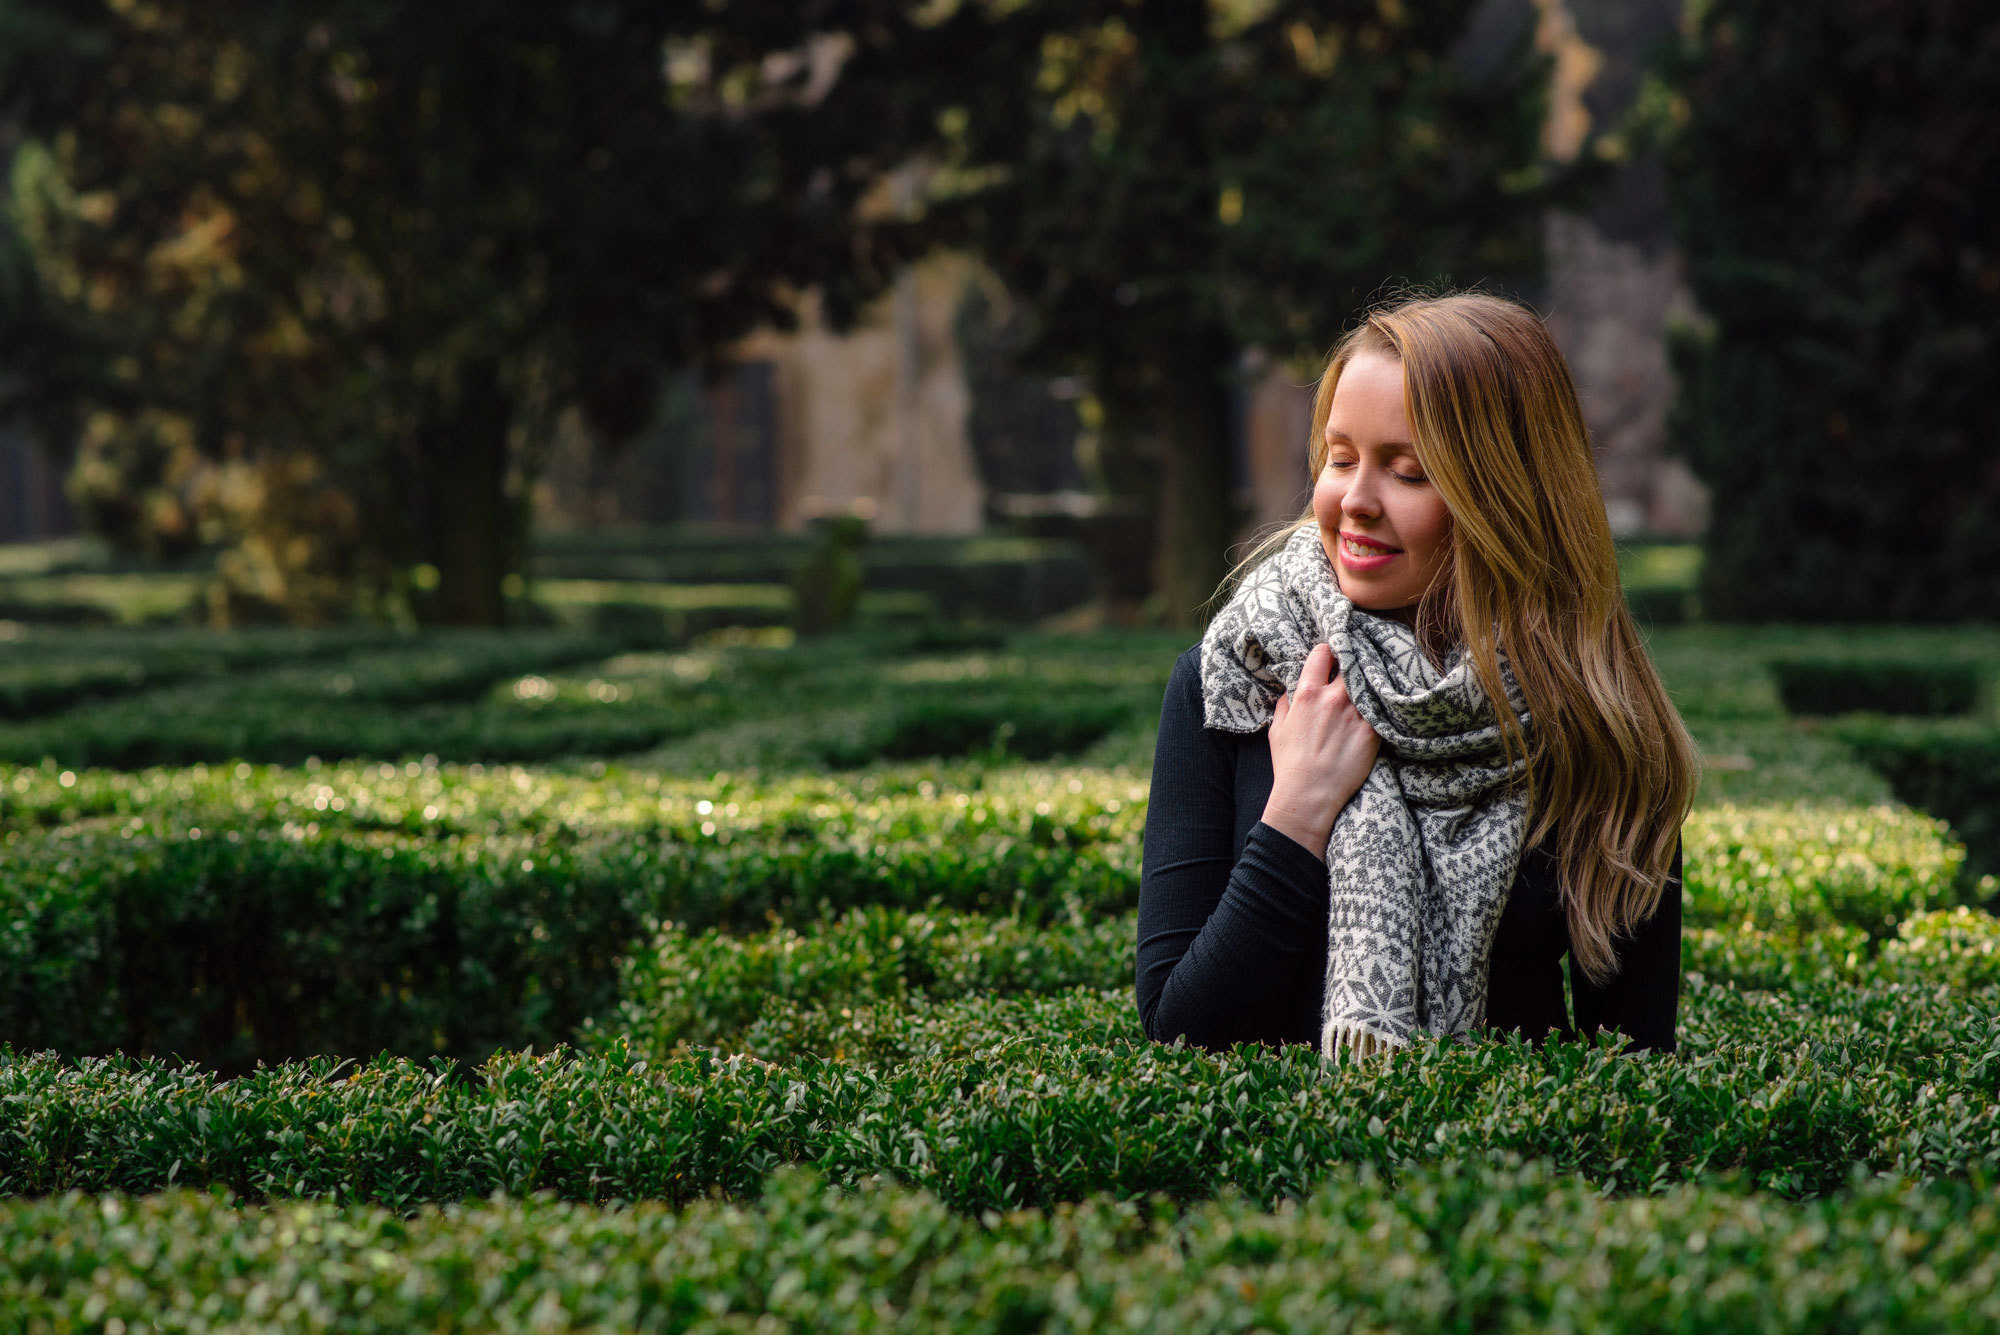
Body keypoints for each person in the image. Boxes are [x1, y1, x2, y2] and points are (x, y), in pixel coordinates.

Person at [1136, 292, 1696, 1060]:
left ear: (1507, 497)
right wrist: (1296, 813)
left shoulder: (1594, 720)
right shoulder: (1234, 678)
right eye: (1339, 459)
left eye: (1408, 472)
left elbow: (1637, 1071)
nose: (1354, 501)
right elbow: (1178, 1031)